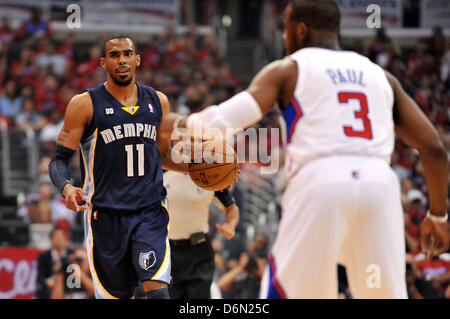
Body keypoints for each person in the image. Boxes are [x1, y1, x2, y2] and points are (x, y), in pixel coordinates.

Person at [181, 0, 449, 298]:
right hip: (379, 185)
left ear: (301, 30)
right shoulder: (380, 76)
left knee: (286, 291)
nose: (283, 39)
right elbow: (434, 147)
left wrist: (169, 127)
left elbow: (221, 119)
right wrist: (438, 215)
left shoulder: (291, 68)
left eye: (285, 31)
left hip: (321, 182)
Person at [48, 35, 188, 299]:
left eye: (127, 53)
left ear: (137, 59)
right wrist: (66, 187)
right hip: (105, 215)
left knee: (158, 293)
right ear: (103, 62)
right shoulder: (84, 104)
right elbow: (59, 159)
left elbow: (163, 155)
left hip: (149, 211)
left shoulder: (159, 102)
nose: (121, 59)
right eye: (114, 55)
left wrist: (197, 168)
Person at [163, 170, 239, 299]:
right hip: (167, 251)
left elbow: (231, 208)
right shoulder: (160, 171)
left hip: (199, 251)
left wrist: (230, 224)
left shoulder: (211, 174)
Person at [36, 227, 75, 299]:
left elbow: (77, 276)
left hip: (69, 288)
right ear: (51, 240)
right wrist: (46, 281)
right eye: (57, 237)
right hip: (51, 289)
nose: (60, 239)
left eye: (62, 236)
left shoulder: (72, 254)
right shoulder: (44, 256)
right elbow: (39, 277)